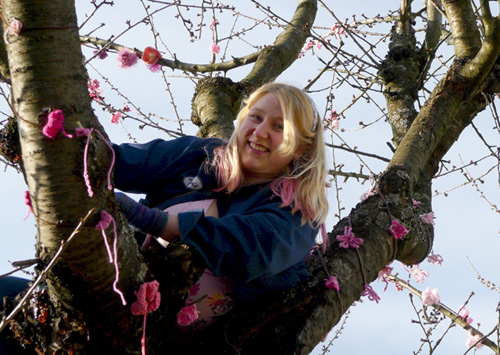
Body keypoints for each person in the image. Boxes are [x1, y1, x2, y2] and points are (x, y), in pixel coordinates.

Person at [113, 82, 328, 328]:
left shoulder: (297, 212)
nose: (260, 132)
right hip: (117, 288)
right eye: (255, 117)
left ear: (300, 147)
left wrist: (159, 222)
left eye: (279, 127)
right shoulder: (199, 156)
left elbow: (253, 246)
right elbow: (118, 161)